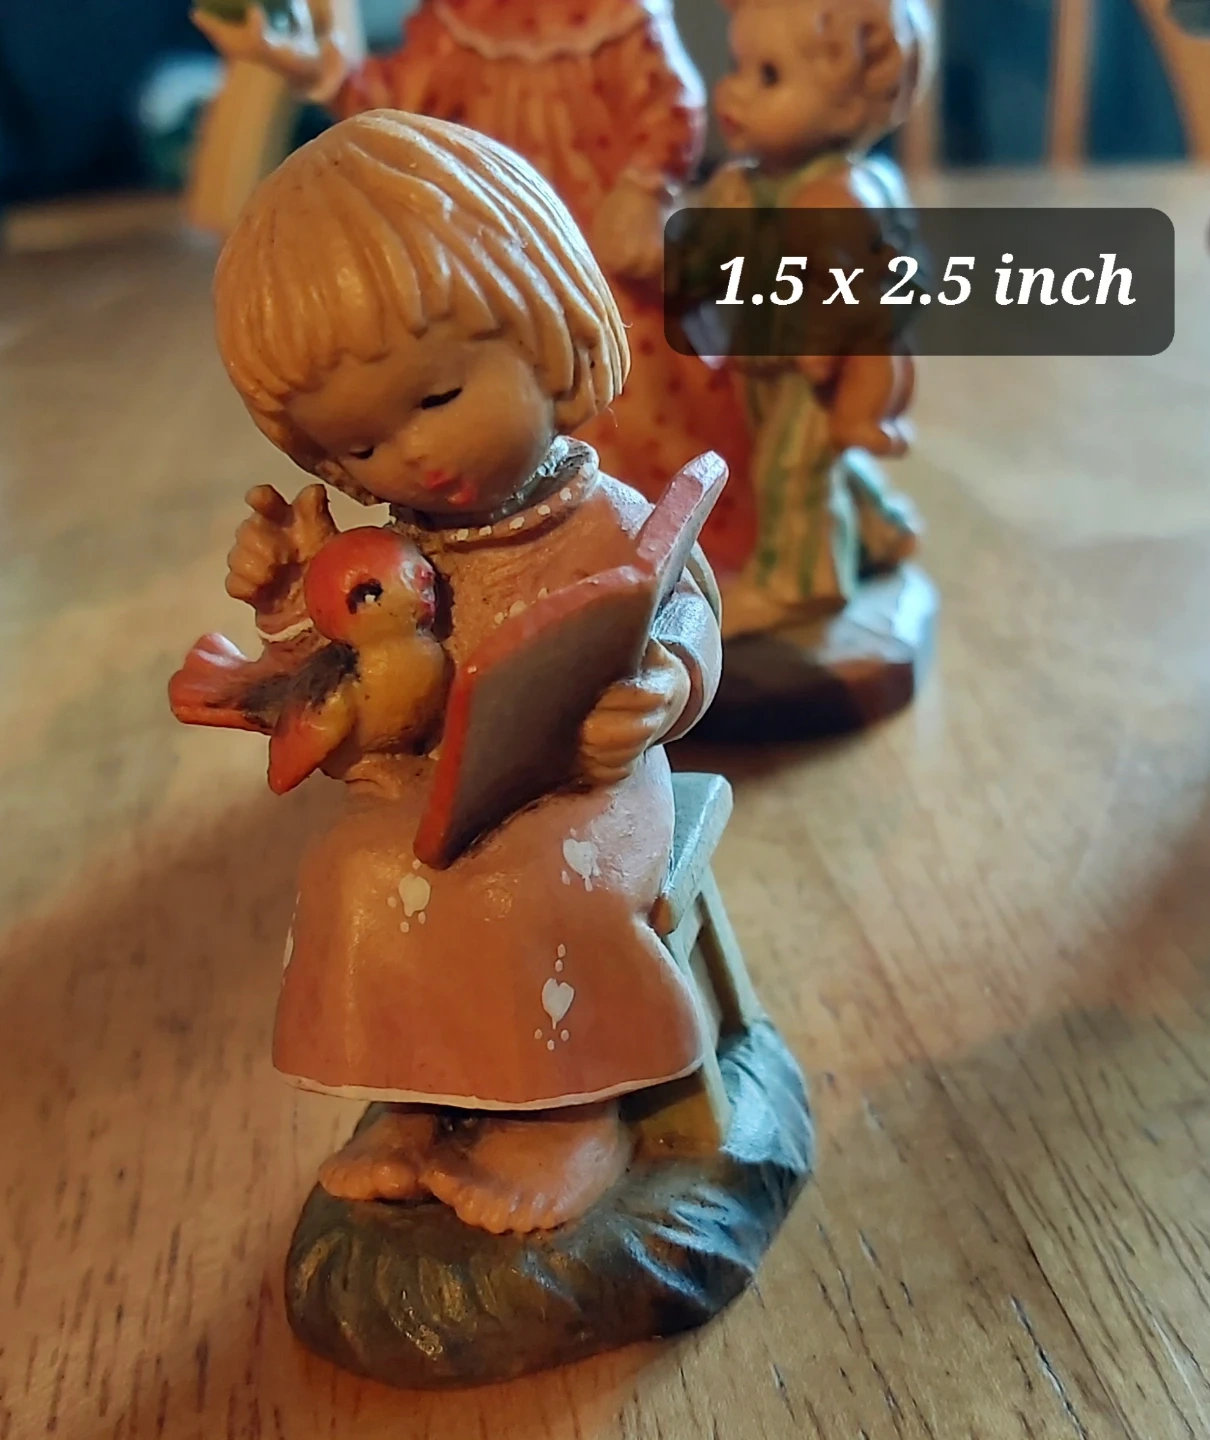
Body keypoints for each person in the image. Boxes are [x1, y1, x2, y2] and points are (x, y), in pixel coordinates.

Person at [195, 109, 723, 1235]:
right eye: (361, 446)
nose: (415, 455)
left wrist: (667, 685)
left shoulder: (601, 518)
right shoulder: (402, 550)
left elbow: (684, 607)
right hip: (436, 789)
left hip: (584, 794)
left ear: (544, 332)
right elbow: (361, 668)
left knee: (531, 890)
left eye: (438, 399)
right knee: (355, 875)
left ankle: (567, 1115)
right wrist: (288, 595)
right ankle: (419, 1099)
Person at [192, 0, 757, 570]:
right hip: (466, 238)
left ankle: (666, 541)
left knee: (642, 388)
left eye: (438, 401)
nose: (415, 454)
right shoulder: (460, 21)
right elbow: (399, 111)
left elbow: (664, 103)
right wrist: (323, 71)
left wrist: (643, 186)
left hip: (584, 232)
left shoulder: (617, 16)